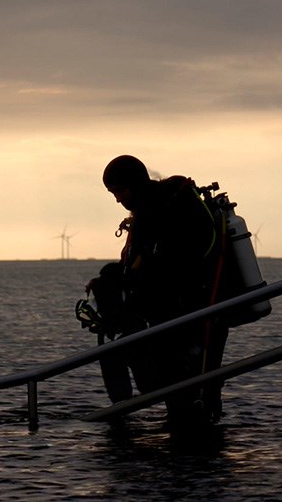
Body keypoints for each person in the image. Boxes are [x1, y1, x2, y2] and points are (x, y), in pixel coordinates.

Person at [87, 155, 227, 427]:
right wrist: (108, 279)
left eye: (119, 191)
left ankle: (194, 446)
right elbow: (137, 265)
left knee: (192, 385)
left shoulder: (172, 209)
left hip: (192, 312)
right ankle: (191, 444)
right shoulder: (147, 212)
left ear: (134, 184)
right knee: (178, 390)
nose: (117, 199)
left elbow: (175, 265)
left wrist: (137, 290)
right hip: (168, 314)